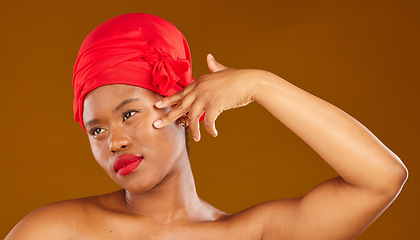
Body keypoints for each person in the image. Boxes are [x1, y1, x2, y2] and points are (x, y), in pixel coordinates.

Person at [6, 13, 407, 240]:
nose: (116, 141)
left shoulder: (251, 234)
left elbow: (381, 179)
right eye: (97, 130)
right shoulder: (55, 232)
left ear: (181, 105)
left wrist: (260, 83)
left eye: (129, 114)